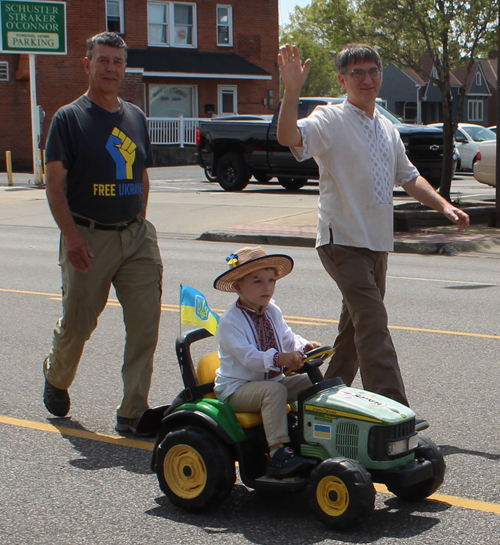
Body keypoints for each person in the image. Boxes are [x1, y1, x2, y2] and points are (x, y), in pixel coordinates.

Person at [277, 43, 469, 414]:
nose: (366, 79)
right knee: (373, 321)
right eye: (357, 73)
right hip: (341, 241)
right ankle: (394, 409)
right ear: (342, 80)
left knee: (352, 333)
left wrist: (443, 204)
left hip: (376, 244)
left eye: (372, 71)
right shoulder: (330, 119)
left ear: (380, 76)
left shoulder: (385, 127)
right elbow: (289, 137)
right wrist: (291, 90)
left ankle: (320, 403)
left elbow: (409, 177)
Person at [43, 32, 163, 436]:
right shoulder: (69, 119)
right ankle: (56, 376)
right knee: (79, 324)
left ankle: (132, 411)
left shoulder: (135, 117)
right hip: (88, 237)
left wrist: (140, 221)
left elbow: (141, 175)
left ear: (123, 68)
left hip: (136, 236)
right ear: (87, 64)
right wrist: (73, 236)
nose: (111, 68)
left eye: (117, 61)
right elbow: (54, 185)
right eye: (103, 60)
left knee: (146, 325)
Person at [213, 246, 321, 478]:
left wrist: (304, 347)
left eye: (271, 280)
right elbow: (248, 357)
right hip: (237, 388)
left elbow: (287, 338)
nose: (267, 287)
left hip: (272, 381)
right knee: (273, 392)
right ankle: (277, 453)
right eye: (257, 281)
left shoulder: (272, 310)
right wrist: (279, 358)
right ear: (238, 286)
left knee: (312, 385)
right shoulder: (230, 321)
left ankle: (312, 436)